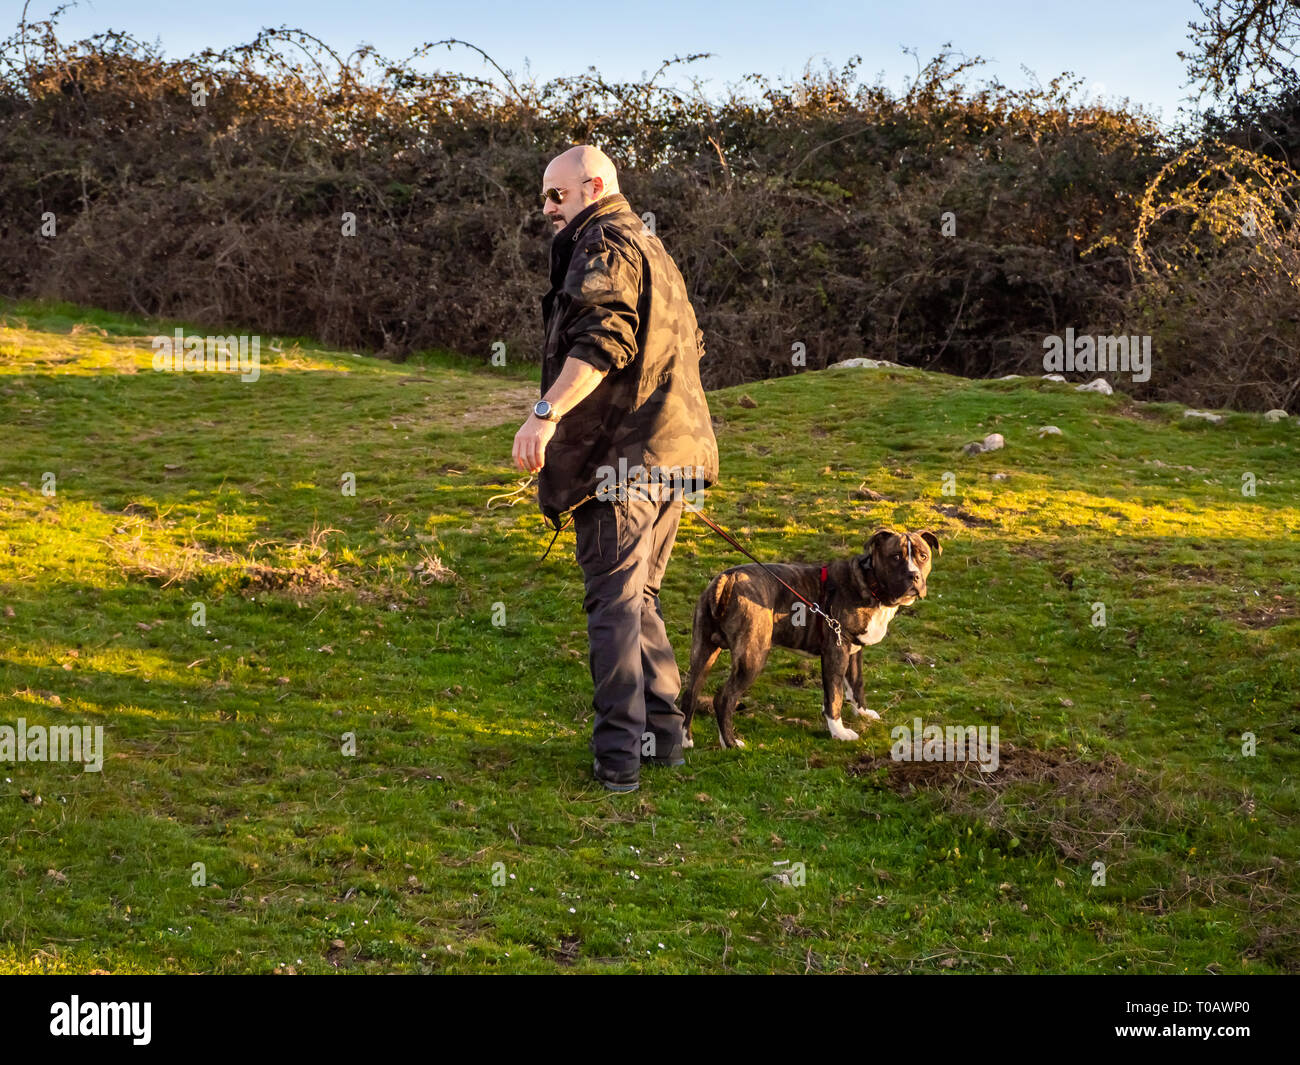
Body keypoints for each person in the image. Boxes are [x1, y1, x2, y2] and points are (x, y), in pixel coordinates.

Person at [512, 144, 719, 792]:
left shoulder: (603, 241)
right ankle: (664, 741)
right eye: (545, 196)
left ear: (593, 185)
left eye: (556, 194)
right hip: (674, 459)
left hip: (623, 462)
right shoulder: (653, 245)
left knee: (614, 608)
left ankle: (617, 762)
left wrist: (545, 412)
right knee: (638, 599)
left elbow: (603, 338)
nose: (546, 207)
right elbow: (693, 343)